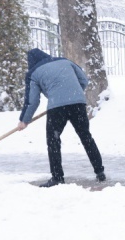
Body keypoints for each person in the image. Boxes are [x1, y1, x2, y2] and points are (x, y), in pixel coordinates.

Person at [17, 48, 105, 188]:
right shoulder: (65, 61)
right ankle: (100, 171)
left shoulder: (33, 72)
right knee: (86, 137)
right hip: (78, 104)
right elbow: (83, 80)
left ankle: (57, 177)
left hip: (57, 108)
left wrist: (24, 120)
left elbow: (32, 101)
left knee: (53, 141)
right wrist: (73, 94)